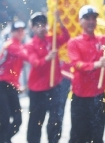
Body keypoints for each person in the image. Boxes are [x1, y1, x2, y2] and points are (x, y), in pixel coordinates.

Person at [67, 5, 105, 143]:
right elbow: (77, 64)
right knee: (78, 136)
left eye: (94, 18)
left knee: (97, 136)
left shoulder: (102, 42)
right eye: (87, 18)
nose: (91, 21)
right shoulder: (74, 43)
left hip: (98, 95)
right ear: (80, 21)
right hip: (80, 96)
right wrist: (96, 65)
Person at [26, 12, 70, 143]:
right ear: (33, 28)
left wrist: (59, 21)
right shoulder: (30, 45)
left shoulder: (52, 39)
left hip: (54, 86)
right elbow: (35, 63)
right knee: (36, 120)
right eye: (37, 25)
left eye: (43, 24)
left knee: (56, 118)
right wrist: (47, 58)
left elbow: (67, 37)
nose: (41, 28)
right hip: (37, 89)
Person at [0, 21, 28, 143]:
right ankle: (3, 140)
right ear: (11, 32)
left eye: (22, 30)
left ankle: (6, 140)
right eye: (17, 30)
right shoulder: (11, 45)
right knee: (5, 119)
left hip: (10, 85)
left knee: (18, 119)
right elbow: (28, 56)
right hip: (0, 84)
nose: (20, 33)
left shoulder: (18, 45)